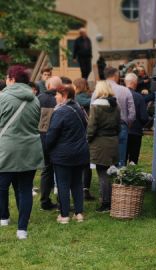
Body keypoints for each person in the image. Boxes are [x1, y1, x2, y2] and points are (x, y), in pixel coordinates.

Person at [0, 65, 44, 239]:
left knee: (2, 186)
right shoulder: (35, 100)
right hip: (30, 149)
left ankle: (3, 217)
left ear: (11, 79)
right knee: (25, 189)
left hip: (6, 150)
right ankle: (22, 230)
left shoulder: (2, 98)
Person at [46, 86, 89, 224]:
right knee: (77, 183)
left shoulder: (61, 112)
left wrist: (46, 147)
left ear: (64, 95)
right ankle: (79, 213)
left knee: (63, 184)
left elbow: (52, 134)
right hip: (80, 152)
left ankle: (64, 215)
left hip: (63, 154)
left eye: (57, 94)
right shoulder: (79, 108)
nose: (55, 97)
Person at [92, 67, 135, 167]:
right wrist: (127, 124)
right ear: (116, 76)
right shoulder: (125, 91)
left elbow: (92, 111)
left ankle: (106, 180)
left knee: (104, 160)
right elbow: (132, 114)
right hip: (121, 126)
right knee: (120, 160)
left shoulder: (97, 92)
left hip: (102, 128)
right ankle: (119, 181)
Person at [88, 81, 121, 212]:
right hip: (113, 141)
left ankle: (106, 203)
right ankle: (113, 200)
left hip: (100, 143)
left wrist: (88, 139)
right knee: (110, 172)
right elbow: (119, 125)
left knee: (102, 173)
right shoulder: (116, 105)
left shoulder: (96, 106)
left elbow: (91, 127)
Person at [38, 76, 63, 211]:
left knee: (46, 170)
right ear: (60, 87)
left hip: (42, 139)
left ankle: (45, 201)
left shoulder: (39, 98)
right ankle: (61, 201)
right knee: (60, 170)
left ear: (48, 86)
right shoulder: (60, 99)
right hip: (58, 139)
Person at [73, 78, 95, 200]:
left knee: (82, 162)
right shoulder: (89, 96)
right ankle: (85, 188)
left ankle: (81, 187)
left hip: (82, 131)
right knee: (86, 162)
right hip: (89, 130)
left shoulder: (79, 97)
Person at [124, 73, 149, 164]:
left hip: (121, 131)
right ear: (135, 83)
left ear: (125, 82)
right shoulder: (139, 97)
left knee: (121, 160)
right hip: (135, 132)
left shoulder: (118, 95)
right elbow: (144, 117)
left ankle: (119, 177)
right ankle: (131, 177)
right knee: (133, 161)